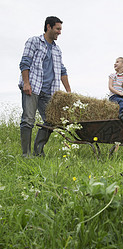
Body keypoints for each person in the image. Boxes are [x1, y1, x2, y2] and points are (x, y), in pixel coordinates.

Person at [19, 16, 71, 157]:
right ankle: (26, 154)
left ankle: (38, 151)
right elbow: (25, 63)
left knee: (51, 121)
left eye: (60, 29)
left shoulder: (57, 50)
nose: (60, 32)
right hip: (33, 87)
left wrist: (69, 92)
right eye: (57, 29)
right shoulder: (34, 41)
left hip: (49, 91)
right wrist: (26, 83)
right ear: (48, 27)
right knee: (28, 120)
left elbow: (62, 71)